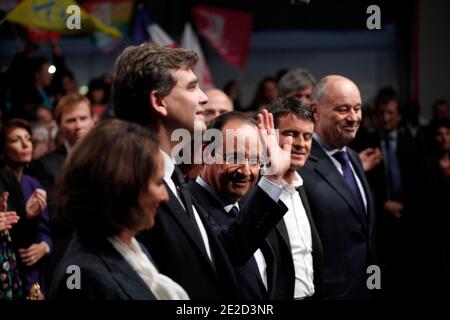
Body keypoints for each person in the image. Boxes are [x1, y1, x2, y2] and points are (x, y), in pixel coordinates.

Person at [112, 43, 292, 299]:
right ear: (159, 101)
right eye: (191, 86)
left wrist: (273, 178)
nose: (204, 98)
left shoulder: (174, 178)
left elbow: (224, 252)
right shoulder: (129, 184)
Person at [49, 119, 189, 300]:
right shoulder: (81, 277)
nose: (164, 196)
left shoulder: (133, 249)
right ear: (122, 188)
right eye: (158, 183)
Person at [301, 75, 376, 299]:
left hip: (368, 286)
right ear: (315, 110)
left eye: (357, 108)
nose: (353, 118)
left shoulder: (353, 157)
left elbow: (367, 236)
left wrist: (376, 284)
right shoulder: (300, 165)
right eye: (343, 109)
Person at [188, 112, 277, 299]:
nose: (245, 171)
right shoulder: (188, 205)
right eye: (234, 157)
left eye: (254, 160)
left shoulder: (247, 205)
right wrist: (274, 179)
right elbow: (230, 253)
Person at [266, 97, 323, 300]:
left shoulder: (303, 188)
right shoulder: (254, 193)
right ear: (270, 136)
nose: (301, 144)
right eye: (292, 134)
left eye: (307, 136)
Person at [0, 119, 51, 299]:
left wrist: (44, 246)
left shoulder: (33, 183)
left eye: (28, 139)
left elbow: (45, 229)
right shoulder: (4, 182)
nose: (25, 144)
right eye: (15, 140)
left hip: (33, 270)